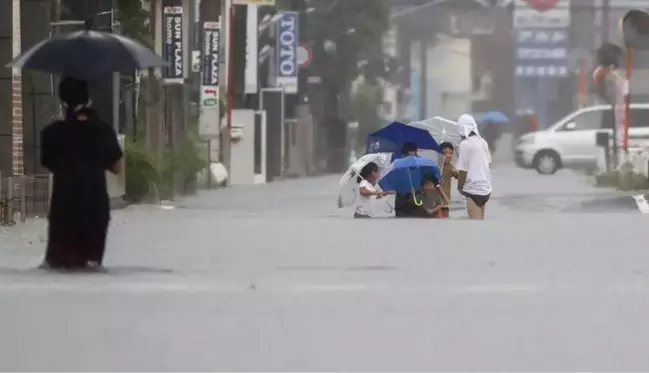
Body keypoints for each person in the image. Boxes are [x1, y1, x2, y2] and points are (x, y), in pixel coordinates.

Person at [40, 77, 124, 270]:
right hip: (95, 207)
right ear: (88, 100)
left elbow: (48, 163)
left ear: (61, 101)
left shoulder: (51, 133)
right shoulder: (103, 131)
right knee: (91, 265)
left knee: (58, 265)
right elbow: (117, 167)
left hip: (63, 208)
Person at [456, 114, 492, 220]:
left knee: (474, 226)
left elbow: (463, 171)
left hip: (473, 191)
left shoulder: (464, 145)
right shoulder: (483, 142)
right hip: (486, 189)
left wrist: (460, 187)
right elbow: (488, 163)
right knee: (481, 223)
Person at [438, 142, 458, 218]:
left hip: (446, 201)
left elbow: (459, 176)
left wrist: (456, 170)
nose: (448, 155)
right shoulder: (435, 166)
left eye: (450, 153)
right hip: (435, 201)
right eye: (445, 153)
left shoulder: (451, 167)